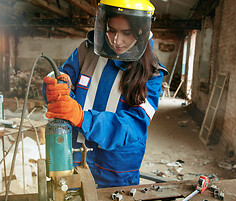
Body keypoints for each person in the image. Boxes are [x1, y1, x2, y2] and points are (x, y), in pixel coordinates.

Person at [43, 0, 168, 188]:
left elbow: (134, 124)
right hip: (75, 155)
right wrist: (57, 83)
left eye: (126, 33)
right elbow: (62, 75)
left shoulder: (152, 72)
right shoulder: (87, 51)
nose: (116, 40)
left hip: (117, 167)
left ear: (142, 30)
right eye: (111, 30)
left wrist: (82, 118)